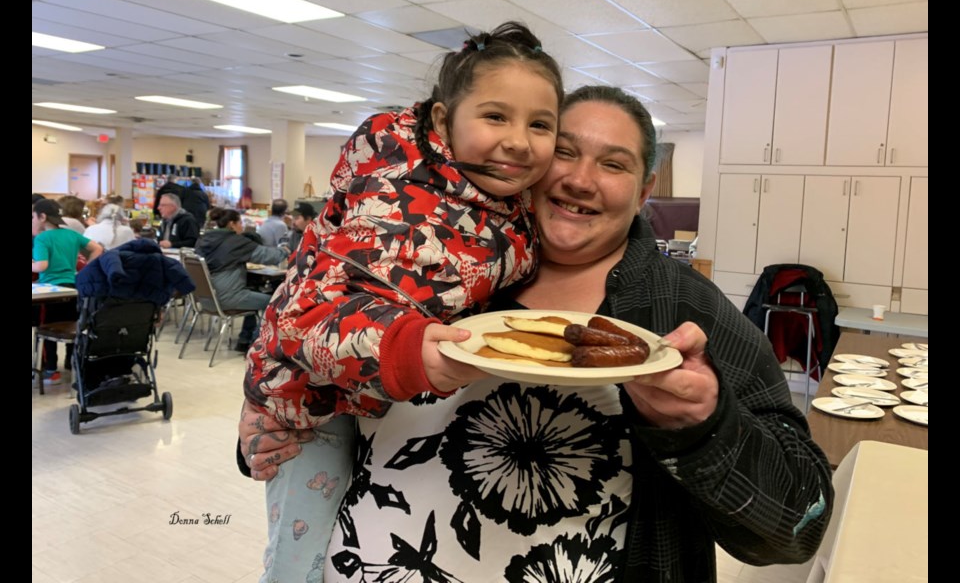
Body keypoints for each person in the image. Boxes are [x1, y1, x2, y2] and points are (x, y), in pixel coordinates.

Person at [240, 85, 834, 582]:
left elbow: (796, 527)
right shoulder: (439, 270)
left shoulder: (680, 313)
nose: (580, 180)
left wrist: (705, 429)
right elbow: (313, 345)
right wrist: (270, 423)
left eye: (614, 164)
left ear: (645, 190)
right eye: (565, 153)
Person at [243, 21, 563, 583]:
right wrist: (407, 348)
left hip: (378, 407)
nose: (519, 140)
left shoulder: (502, 197)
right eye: (495, 116)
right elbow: (309, 313)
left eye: (540, 124)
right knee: (301, 566)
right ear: (443, 120)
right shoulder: (398, 192)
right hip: (308, 405)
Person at [193, 208, 288, 353]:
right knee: (275, 302)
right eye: (240, 223)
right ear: (232, 224)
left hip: (206, 298)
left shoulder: (204, 240)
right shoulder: (235, 242)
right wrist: (285, 250)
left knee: (253, 292)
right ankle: (256, 345)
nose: (242, 227)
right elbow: (269, 256)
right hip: (227, 297)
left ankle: (244, 340)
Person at [32, 198, 104, 385]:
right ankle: (71, 364)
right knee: (72, 325)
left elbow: (42, 265)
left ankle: (50, 370)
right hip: (72, 288)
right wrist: (86, 269)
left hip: (50, 291)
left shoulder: (42, 238)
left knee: (47, 328)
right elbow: (97, 248)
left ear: (42, 217)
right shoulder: (71, 235)